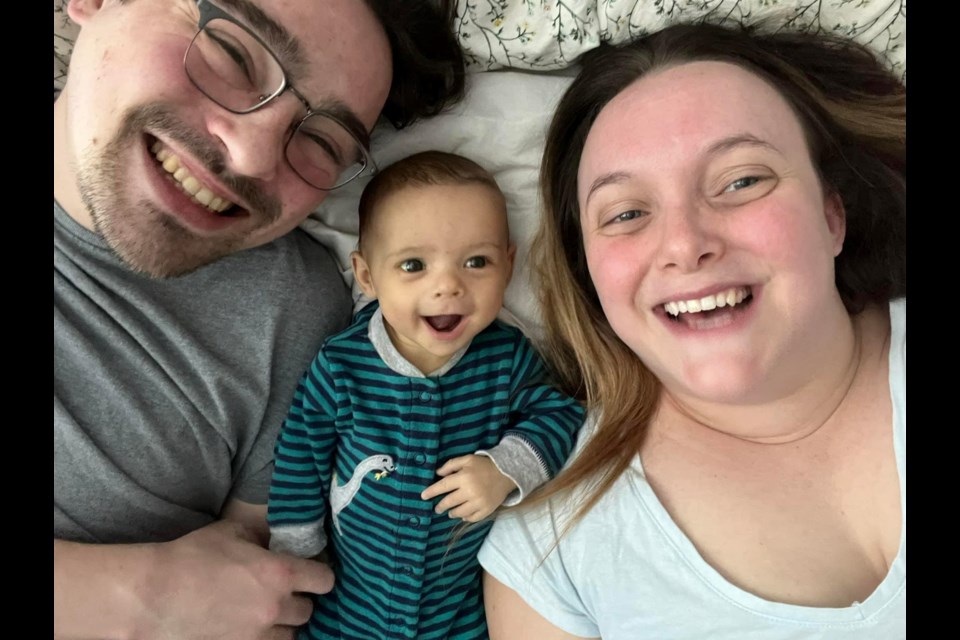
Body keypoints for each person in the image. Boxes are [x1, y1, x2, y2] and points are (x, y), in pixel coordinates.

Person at [478, 23, 906, 639]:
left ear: (831, 215)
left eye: (741, 181)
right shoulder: (550, 555)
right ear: (590, 273)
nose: (684, 245)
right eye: (626, 214)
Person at [54, 1, 465, 638]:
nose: (249, 157)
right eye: (234, 54)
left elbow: (253, 600)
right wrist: (137, 596)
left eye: (321, 141)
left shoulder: (295, 313)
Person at [266, 151, 585, 640]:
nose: (448, 286)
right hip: (348, 607)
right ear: (368, 276)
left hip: (457, 612)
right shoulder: (342, 364)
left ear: (508, 265)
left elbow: (561, 413)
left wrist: (504, 469)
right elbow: (300, 454)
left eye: (477, 262)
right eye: (414, 265)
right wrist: (297, 549)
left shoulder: (506, 358)